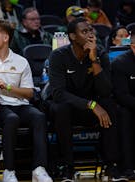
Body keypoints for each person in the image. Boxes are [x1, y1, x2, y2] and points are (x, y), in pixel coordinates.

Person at [0, 19, 53, 182]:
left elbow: (29, 93)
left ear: (5, 38)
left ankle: (39, 169)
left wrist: (8, 87)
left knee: (39, 117)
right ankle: (8, 170)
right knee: (11, 119)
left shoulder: (21, 61)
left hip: (20, 104)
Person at [48, 17, 120, 181]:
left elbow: (106, 90)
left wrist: (94, 60)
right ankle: (67, 166)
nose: (90, 35)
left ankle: (111, 165)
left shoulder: (100, 53)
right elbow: (58, 93)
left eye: (91, 30)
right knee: (61, 109)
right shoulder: (58, 56)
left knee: (109, 104)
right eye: (84, 31)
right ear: (73, 36)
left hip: (91, 108)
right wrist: (91, 104)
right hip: (69, 107)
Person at [111, 29, 135, 180]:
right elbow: (121, 95)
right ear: (133, 47)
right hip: (128, 104)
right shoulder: (120, 63)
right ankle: (128, 167)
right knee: (124, 113)